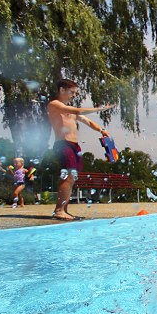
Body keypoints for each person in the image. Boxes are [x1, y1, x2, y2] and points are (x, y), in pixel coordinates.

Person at [47, 79, 114, 221]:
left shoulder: (69, 109)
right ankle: (59, 210)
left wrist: (102, 130)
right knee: (68, 176)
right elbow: (77, 110)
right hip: (63, 144)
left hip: (74, 146)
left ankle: (64, 210)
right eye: (72, 92)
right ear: (62, 90)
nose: (74, 95)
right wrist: (99, 109)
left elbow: (87, 121)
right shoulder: (54, 105)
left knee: (72, 178)